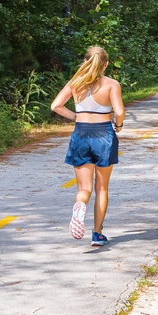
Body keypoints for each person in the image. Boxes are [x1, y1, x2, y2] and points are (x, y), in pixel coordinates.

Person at [50, 46, 125, 247]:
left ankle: (80, 205)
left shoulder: (75, 83)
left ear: (85, 61)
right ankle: (97, 234)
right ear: (106, 64)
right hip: (104, 134)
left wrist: (76, 116)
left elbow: (55, 105)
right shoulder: (112, 84)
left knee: (84, 188)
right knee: (102, 189)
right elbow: (119, 111)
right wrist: (118, 125)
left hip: (80, 133)